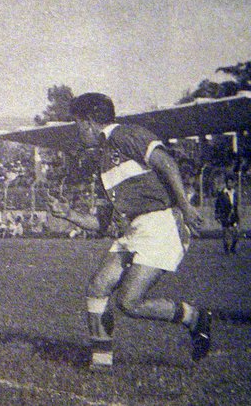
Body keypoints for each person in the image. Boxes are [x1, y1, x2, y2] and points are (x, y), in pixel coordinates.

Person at [46, 92, 211, 370]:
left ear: (87, 122)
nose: (77, 131)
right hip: (135, 228)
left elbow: (166, 163)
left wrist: (185, 205)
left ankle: (195, 318)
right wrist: (68, 214)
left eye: (76, 123)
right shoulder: (103, 161)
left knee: (129, 303)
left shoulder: (125, 135)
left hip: (161, 224)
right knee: (98, 285)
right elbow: (101, 223)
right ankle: (101, 362)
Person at [214, 173, 239, 255]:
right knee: (226, 234)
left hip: (233, 216)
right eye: (228, 183)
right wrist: (217, 215)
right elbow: (217, 205)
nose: (230, 184)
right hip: (225, 216)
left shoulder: (235, 193)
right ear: (226, 183)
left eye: (232, 183)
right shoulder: (222, 193)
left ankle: (232, 248)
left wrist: (237, 216)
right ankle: (226, 250)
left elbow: (235, 206)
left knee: (236, 233)